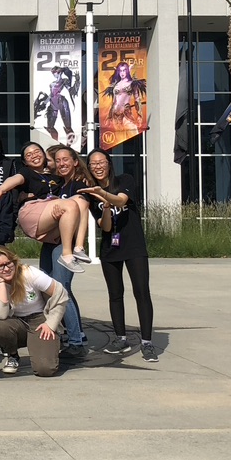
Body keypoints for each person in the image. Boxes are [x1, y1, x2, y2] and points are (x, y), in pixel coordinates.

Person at [79, 149, 158, 362]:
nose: (97, 166)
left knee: (141, 291)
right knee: (115, 294)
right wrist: (104, 207)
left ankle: (147, 342)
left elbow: (122, 201)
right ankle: (120, 337)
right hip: (110, 248)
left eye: (101, 162)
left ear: (108, 163)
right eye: (93, 163)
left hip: (133, 245)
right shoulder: (90, 194)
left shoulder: (125, 179)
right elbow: (105, 227)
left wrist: (105, 195)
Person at [0, 142, 86, 274]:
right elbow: (15, 179)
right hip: (32, 211)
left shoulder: (55, 177)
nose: (34, 155)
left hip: (49, 213)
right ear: (24, 161)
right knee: (70, 204)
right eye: (29, 155)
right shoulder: (27, 173)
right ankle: (67, 255)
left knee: (81, 201)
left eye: (37, 151)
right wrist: (1, 189)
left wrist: (82, 176)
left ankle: (79, 248)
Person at [0, 246, 68, 377]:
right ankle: (12, 355)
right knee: (0, 326)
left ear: (14, 261)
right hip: (15, 321)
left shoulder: (29, 273)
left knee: (45, 370)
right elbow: (1, 314)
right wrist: (1, 284)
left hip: (39, 319)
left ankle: (49, 344)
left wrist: (51, 323)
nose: (5, 269)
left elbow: (60, 293)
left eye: (8, 263)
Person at [52, 146, 94, 264]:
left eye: (65, 159)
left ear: (75, 162)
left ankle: (79, 248)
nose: (61, 164)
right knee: (46, 281)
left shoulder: (80, 183)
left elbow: (82, 205)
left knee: (61, 282)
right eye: (58, 160)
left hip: (66, 243)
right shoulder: (57, 183)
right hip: (52, 240)